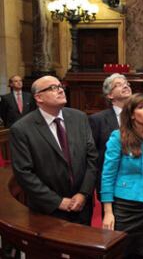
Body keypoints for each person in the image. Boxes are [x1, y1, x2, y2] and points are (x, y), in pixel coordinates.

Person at [10, 75, 97, 224]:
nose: (60, 90)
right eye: (53, 88)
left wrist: (83, 193)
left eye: (60, 86)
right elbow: (24, 173)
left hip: (82, 206)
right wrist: (57, 201)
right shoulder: (22, 129)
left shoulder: (79, 118)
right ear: (39, 97)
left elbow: (92, 158)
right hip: (47, 210)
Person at [101, 93, 143, 259]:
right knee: (120, 252)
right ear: (131, 114)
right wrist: (108, 211)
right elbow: (108, 175)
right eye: (141, 107)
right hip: (124, 206)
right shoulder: (118, 137)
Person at [89, 73, 132, 214]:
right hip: (111, 183)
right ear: (110, 95)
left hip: (136, 182)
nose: (125, 85)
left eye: (126, 83)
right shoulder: (98, 120)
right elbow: (92, 155)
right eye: (118, 85)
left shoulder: (142, 115)